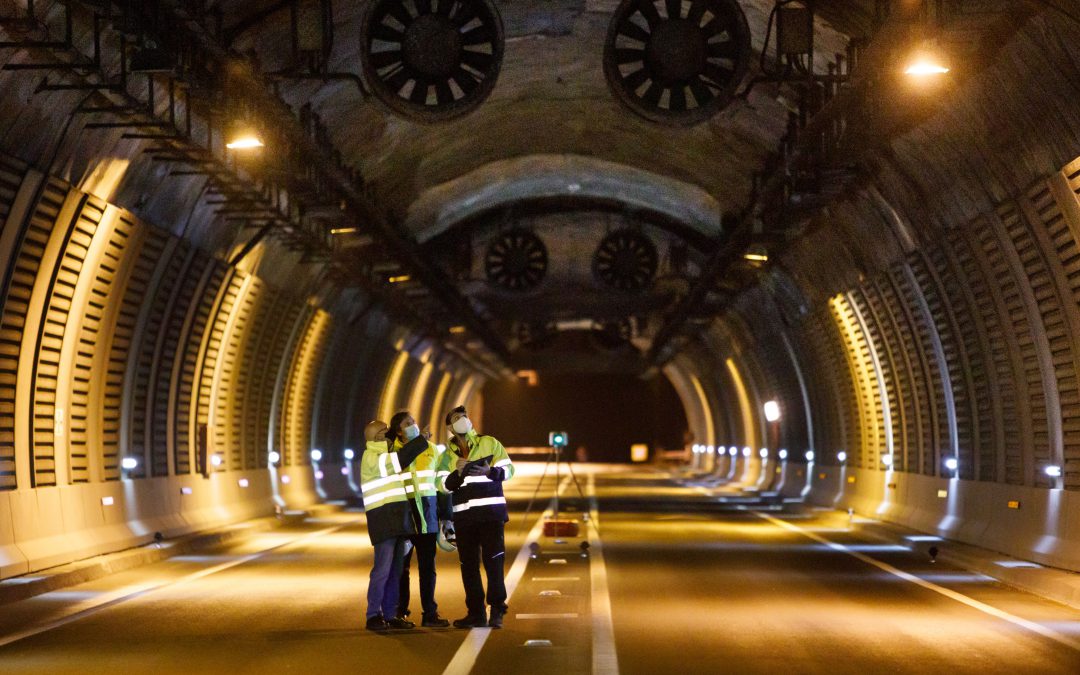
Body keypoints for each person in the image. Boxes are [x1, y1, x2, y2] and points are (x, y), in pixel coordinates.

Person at [435, 405, 515, 629]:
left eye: (464, 416)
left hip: (491, 515)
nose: (463, 420)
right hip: (464, 518)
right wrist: (457, 474)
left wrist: (490, 472)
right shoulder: (446, 455)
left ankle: (497, 609)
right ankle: (476, 613)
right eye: (457, 418)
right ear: (450, 427)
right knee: (468, 566)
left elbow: (509, 470)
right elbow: (441, 485)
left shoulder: (489, 442)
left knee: (494, 562)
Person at [359, 419, 428, 631]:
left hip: (398, 519)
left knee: (396, 570)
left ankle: (390, 613)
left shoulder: (386, 454)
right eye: (384, 431)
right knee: (382, 569)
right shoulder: (371, 457)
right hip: (383, 520)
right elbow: (399, 461)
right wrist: (420, 441)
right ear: (376, 436)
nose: (388, 433)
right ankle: (373, 615)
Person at [387, 410, 451, 628]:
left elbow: (441, 486)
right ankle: (399, 612)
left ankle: (430, 613)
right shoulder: (390, 452)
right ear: (398, 430)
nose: (414, 425)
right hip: (404, 520)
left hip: (427, 517)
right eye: (408, 423)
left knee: (427, 568)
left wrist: (447, 517)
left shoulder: (432, 450)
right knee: (401, 569)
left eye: (414, 421)